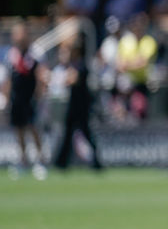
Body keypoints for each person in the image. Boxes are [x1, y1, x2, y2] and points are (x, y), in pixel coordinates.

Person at [3, 22, 47, 179]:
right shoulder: (12, 54)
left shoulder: (35, 53)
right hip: (17, 98)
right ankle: (23, 160)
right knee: (19, 130)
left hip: (31, 98)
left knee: (33, 128)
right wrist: (7, 98)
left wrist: (40, 95)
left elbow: (40, 75)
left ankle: (40, 160)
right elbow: (8, 78)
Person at [53, 39, 103, 171]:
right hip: (74, 107)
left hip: (80, 108)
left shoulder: (81, 66)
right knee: (69, 135)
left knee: (85, 134)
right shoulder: (75, 65)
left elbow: (71, 80)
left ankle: (96, 162)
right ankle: (62, 162)